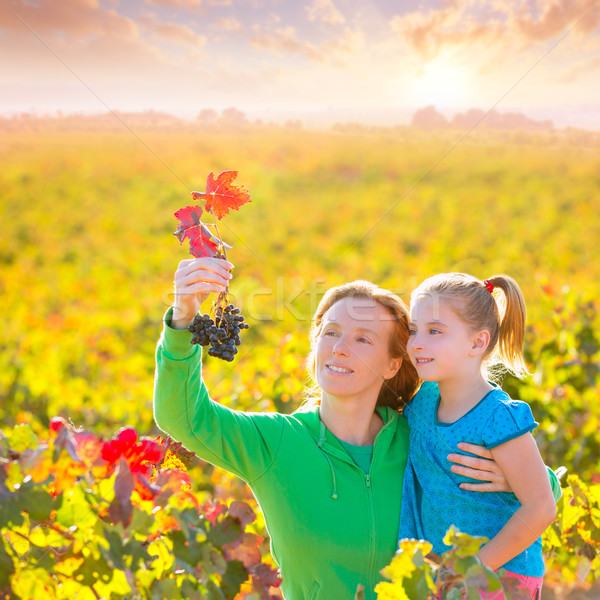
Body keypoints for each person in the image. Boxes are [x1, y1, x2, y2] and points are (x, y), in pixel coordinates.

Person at [153, 258, 557, 600]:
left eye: (363, 339)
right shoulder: (278, 443)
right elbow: (183, 417)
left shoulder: (413, 434)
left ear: (393, 364)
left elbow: (530, 489)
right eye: (330, 333)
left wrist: (518, 479)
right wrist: (183, 317)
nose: (339, 347)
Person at [399, 273, 557, 599]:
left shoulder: (499, 415)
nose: (416, 343)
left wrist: (475, 568)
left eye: (435, 331)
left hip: (500, 575)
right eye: (413, 330)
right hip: (447, 572)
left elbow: (541, 507)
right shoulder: (424, 399)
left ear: (478, 342)